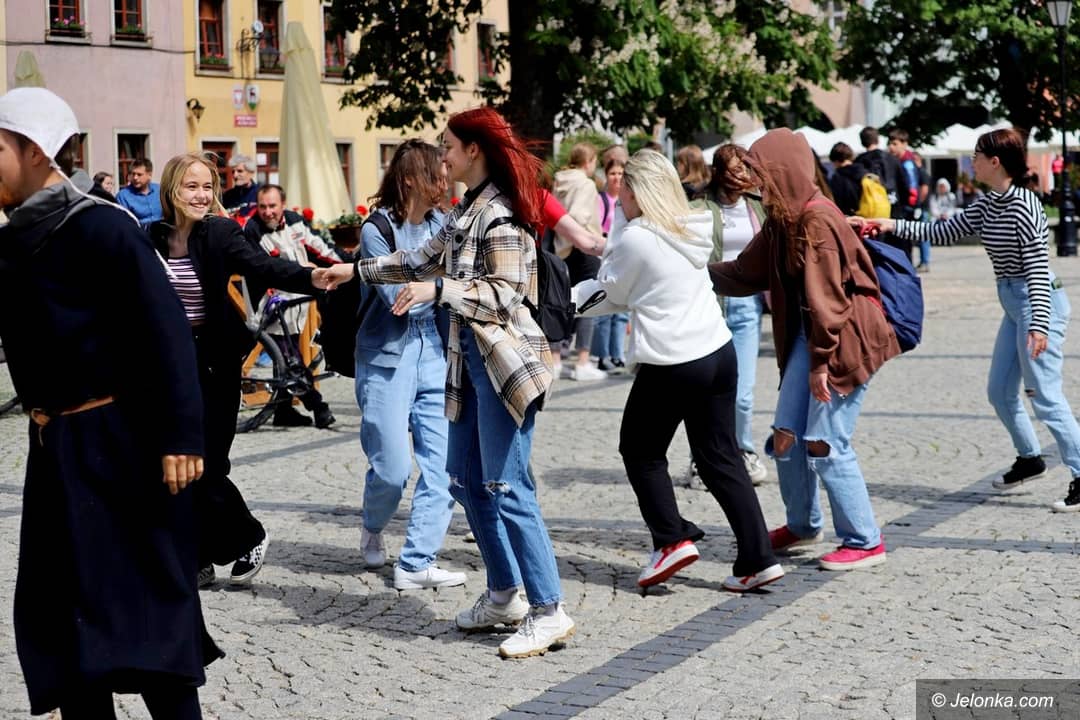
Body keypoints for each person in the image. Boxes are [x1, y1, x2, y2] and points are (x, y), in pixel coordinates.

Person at [317, 107, 575, 658]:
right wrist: (353, 270)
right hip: (469, 367)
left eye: (449, 147)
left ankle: (549, 608)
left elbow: (505, 293)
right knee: (464, 481)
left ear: (473, 151)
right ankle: (504, 594)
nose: (443, 157)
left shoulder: (500, 215)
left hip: (505, 368)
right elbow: (417, 260)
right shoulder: (466, 212)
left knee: (508, 487)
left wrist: (440, 292)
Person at [0, 87, 221, 719]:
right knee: (68, 623)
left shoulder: (102, 226)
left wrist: (181, 436)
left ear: (36, 151)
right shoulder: (13, 240)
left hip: (121, 447)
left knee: (148, 614)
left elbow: (166, 332)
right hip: (55, 450)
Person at [573, 149, 782, 591]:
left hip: (674, 358)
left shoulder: (637, 238)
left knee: (640, 450)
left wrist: (561, 304)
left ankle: (671, 540)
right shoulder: (689, 225)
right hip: (717, 350)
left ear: (636, 191)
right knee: (721, 458)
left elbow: (611, 291)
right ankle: (758, 558)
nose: (619, 197)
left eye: (624, 190)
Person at [859, 128, 1080, 513]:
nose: (972, 162)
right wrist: (889, 225)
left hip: (1036, 300)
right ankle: (1030, 458)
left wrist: (1040, 325)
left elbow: (1037, 268)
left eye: (977, 156)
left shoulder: (1025, 205)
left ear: (995, 162)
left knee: (1045, 395)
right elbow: (943, 231)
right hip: (1014, 302)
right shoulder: (988, 203)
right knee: (999, 391)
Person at [711, 129, 900, 571]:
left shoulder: (817, 219)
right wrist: (689, 272)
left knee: (824, 441)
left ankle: (865, 540)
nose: (755, 180)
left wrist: (820, 364)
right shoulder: (783, 217)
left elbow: (829, 304)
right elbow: (745, 271)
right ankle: (802, 523)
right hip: (809, 334)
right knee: (786, 438)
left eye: (761, 171)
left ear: (783, 171)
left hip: (842, 338)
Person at [149, 153, 327, 588]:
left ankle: (248, 536)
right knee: (173, 463)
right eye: (191, 186)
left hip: (215, 362)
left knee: (208, 464)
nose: (201, 195)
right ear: (171, 189)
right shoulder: (153, 236)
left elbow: (264, 267)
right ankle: (198, 558)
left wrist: (313, 277)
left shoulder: (220, 232)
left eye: (207, 187)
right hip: (171, 365)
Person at [354, 139, 467, 590]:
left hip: (434, 351)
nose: (444, 183)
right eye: (435, 177)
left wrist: (435, 285)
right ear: (408, 180)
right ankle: (373, 524)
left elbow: (456, 281)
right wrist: (441, 284)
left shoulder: (443, 223)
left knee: (442, 468)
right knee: (392, 469)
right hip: (387, 356)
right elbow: (396, 297)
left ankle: (416, 562)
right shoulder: (377, 229)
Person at [700, 144, 769, 485]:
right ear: (718, 172)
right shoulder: (701, 206)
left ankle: (743, 450)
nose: (741, 174)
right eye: (734, 168)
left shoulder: (757, 205)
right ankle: (703, 458)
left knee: (742, 393)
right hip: (708, 304)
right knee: (705, 390)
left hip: (747, 306)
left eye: (745, 168)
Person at [243, 184, 338, 428]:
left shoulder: (295, 221)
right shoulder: (253, 230)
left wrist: (348, 266)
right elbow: (264, 268)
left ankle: (283, 410)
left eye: (272, 206)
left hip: (298, 303)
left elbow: (321, 248)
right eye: (262, 206)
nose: (267, 212)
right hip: (271, 303)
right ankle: (319, 407)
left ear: (283, 205)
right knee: (291, 360)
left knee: (289, 356)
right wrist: (302, 271)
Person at [553, 143, 606, 381]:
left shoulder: (560, 181)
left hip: (562, 248)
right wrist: (588, 239)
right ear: (588, 161)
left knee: (562, 302)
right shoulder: (585, 183)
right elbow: (578, 215)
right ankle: (583, 361)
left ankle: (555, 359)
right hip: (584, 248)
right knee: (589, 303)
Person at [591, 156, 629, 373]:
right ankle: (602, 355)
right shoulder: (602, 200)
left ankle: (618, 354)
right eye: (613, 173)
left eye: (620, 173)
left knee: (622, 311)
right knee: (605, 309)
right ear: (606, 176)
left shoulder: (628, 200)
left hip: (624, 256)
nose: (617, 177)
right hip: (605, 256)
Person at [116, 157, 162, 228]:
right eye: (133, 174)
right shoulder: (123, 196)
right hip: (138, 232)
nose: (135, 178)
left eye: (139, 174)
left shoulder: (159, 190)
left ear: (149, 175)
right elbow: (123, 223)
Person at [827, 142, 868, 217]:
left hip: (851, 218)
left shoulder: (837, 178)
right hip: (870, 214)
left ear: (836, 161)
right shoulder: (865, 171)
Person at [222, 153, 260, 220]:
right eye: (233, 172)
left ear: (251, 173)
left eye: (240, 171)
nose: (235, 175)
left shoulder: (260, 193)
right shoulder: (227, 196)